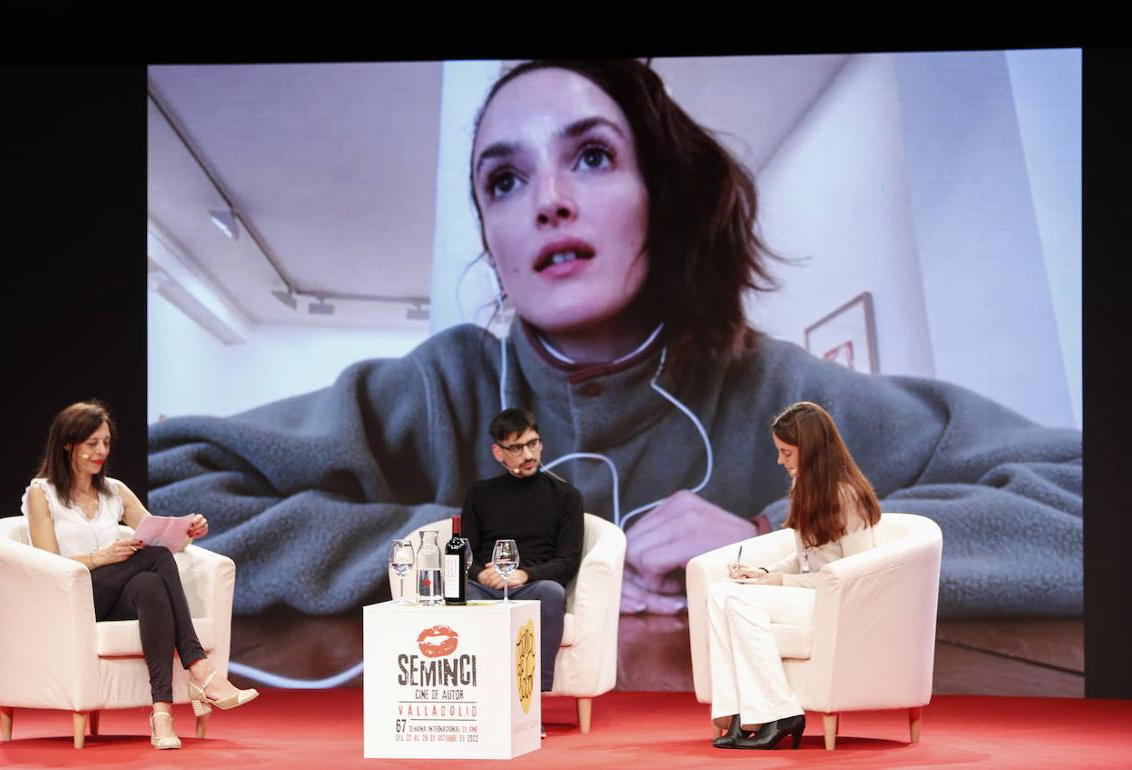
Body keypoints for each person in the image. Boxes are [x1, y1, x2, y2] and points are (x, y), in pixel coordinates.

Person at [147, 60, 1081, 632]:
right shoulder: (440, 390)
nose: (548, 198)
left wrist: (790, 542)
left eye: (591, 156)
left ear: (661, 195)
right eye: (504, 180)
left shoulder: (789, 395)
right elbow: (144, 498)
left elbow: (1084, 505)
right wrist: (464, 552)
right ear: (496, 243)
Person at [22, 401, 258, 750]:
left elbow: (158, 536)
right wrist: (100, 557)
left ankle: (161, 713)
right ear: (67, 444)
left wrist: (190, 530)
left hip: (116, 596)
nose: (101, 451)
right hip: (74, 597)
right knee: (155, 561)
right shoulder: (43, 493)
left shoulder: (114, 491)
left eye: (105, 442)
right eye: (92, 444)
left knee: (150, 583)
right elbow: (46, 562)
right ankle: (202, 671)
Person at [708, 402, 879, 750]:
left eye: (786, 452)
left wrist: (781, 582)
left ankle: (779, 712)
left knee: (738, 600)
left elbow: (854, 574)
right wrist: (765, 572)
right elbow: (809, 554)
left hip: (834, 602)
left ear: (812, 451)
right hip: (809, 594)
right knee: (720, 592)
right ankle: (738, 711)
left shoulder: (848, 496)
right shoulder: (808, 488)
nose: (780, 461)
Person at [460, 407, 584, 703]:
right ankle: (476, 696)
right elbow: (464, 549)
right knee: (458, 592)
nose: (528, 455)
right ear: (498, 452)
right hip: (487, 585)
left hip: (532, 584)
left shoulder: (566, 497)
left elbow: (568, 560)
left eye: (533, 444)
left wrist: (524, 574)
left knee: (552, 593)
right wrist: (480, 573)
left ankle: (530, 699)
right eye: (517, 448)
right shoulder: (480, 494)